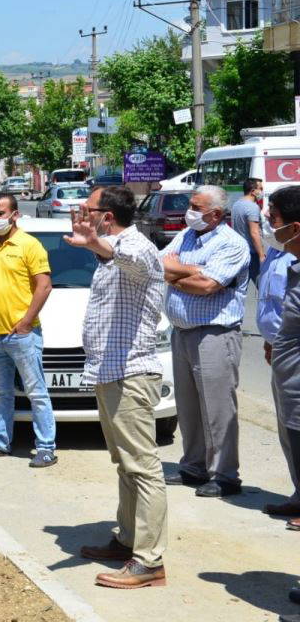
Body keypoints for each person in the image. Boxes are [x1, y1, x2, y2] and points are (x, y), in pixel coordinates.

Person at [64, 186, 168, 589]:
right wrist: (96, 246)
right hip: (110, 374)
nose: (83, 215)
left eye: (89, 210)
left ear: (107, 217)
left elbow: (139, 262)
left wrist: (99, 245)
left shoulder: (136, 247)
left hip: (131, 374)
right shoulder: (110, 251)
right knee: (126, 464)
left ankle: (149, 561)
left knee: (143, 467)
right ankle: (128, 541)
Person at [160, 185, 250, 497]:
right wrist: (189, 272)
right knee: (188, 406)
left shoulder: (231, 243)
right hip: (182, 331)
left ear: (215, 214)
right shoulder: (186, 235)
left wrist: (177, 274)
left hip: (214, 333)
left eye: (196, 207)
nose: (190, 212)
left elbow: (208, 285)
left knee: (217, 406)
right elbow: (161, 264)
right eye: (191, 205)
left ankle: (224, 474)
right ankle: (193, 466)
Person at [0, 191, 57, 466]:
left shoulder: (29, 245)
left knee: (36, 393)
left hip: (22, 336)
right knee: (1, 392)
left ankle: (45, 447)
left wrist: (26, 322)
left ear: (15, 215)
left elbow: (44, 285)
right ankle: (0, 442)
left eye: (0, 213)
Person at [258, 190, 300, 522]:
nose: (267, 222)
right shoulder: (282, 255)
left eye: (273, 218)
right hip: (283, 362)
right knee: (289, 434)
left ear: (295, 227)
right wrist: (275, 341)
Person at [230, 178, 265, 284]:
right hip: (252, 253)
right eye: (261, 189)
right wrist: (261, 255)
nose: (262, 192)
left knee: (241, 286)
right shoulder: (252, 207)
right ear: (253, 191)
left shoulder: (236, 204)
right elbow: (254, 233)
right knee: (262, 285)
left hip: (239, 250)